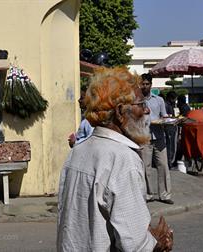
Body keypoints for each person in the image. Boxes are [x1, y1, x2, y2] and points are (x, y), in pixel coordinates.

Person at [57, 67, 173, 252]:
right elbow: (135, 246)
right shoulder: (123, 159)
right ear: (120, 112)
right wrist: (158, 245)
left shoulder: (78, 151)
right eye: (141, 104)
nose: (147, 110)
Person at [140, 73, 173, 205]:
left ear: (151, 85)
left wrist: (169, 121)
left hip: (159, 137)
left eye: (147, 84)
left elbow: (164, 116)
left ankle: (165, 195)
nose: (145, 86)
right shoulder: (136, 101)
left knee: (163, 166)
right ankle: (148, 195)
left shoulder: (159, 100)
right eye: (143, 84)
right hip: (144, 137)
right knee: (145, 167)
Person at [164, 91, 178, 169]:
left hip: (172, 127)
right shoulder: (166, 105)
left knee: (172, 145)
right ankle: (169, 163)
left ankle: (170, 161)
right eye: (174, 99)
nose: (175, 101)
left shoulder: (172, 105)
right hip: (169, 128)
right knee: (169, 146)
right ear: (171, 98)